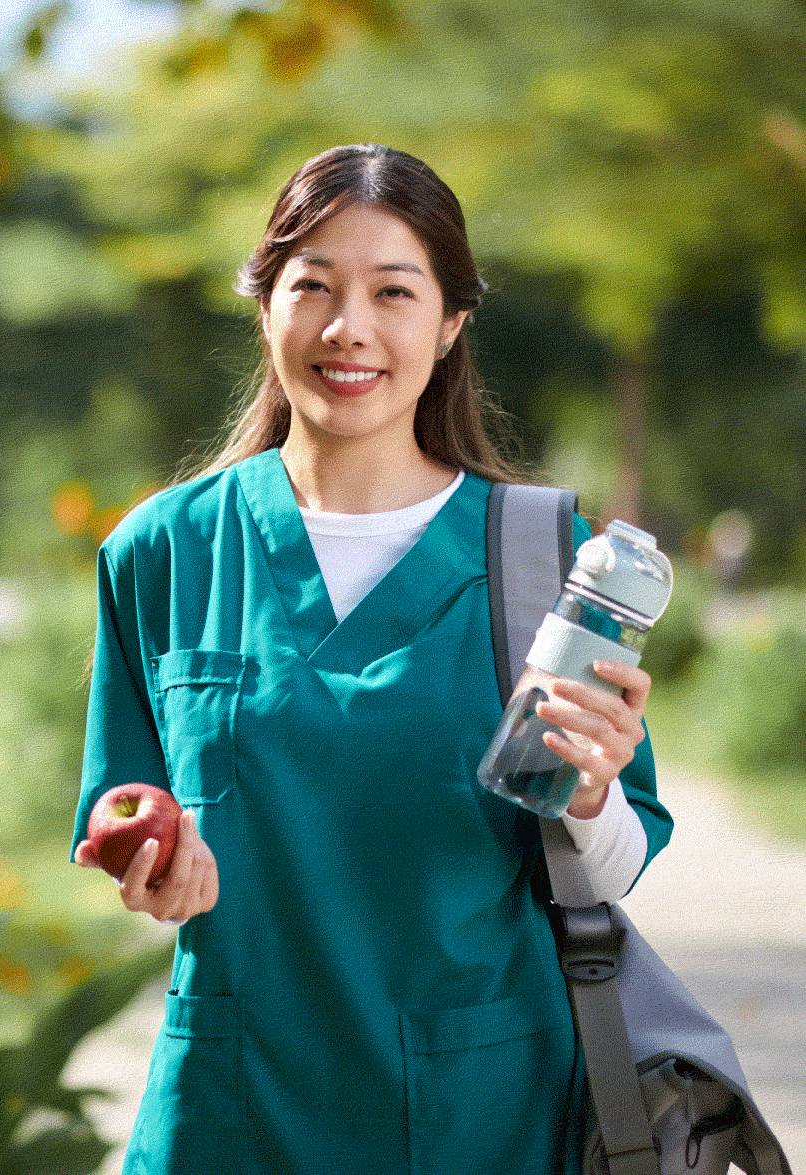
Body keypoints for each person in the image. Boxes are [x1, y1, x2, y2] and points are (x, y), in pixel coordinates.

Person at [69, 144, 672, 1174]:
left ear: (448, 325)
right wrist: (150, 861)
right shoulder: (161, 551)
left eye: (393, 291)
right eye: (312, 286)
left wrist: (590, 790)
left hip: (483, 1109)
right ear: (264, 307)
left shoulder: (543, 559)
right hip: (231, 1105)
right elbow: (120, 810)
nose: (348, 328)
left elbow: (611, 869)